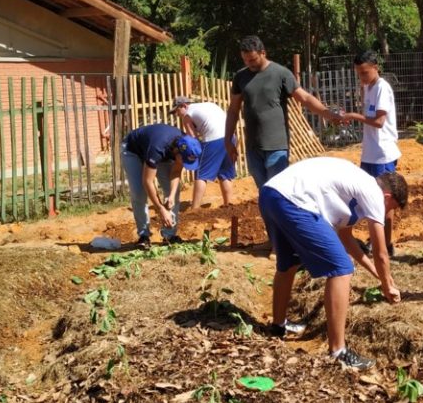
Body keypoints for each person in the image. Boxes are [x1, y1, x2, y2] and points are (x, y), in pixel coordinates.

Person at [259, 157, 409, 370]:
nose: (385, 214)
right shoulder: (373, 192)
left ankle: (278, 326)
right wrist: (387, 285)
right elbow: (381, 251)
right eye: (390, 209)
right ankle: (338, 351)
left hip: (271, 194)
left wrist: (377, 274)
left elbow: (346, 238)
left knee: (288, 264)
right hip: (294, 201)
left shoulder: (355, 188)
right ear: (387, 196)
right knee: (342, 270)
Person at [226, 35, 341, 190]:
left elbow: (305, 98)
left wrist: (328, 114)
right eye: (245, 60)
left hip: (276, 146)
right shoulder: (241, 77)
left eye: (252, 60)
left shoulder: (281, 74)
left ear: (263, 53)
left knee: (278, 190)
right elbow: (233, 110)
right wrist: (228, 140)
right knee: (264, 191)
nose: (249, 64)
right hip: (253, 146)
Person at [341, 50, 401, 256]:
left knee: (385, 200)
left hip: (382, 154)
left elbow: (379, 121)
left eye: (365, 72)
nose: (362, 77)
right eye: (359, 73)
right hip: (370, 153)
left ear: (376, 67)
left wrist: (354, 116)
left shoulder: (383, 88)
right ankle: (378, 240)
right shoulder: (368, 87)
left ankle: (386, 244)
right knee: (369, 197)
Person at [120, 123, 202, 249]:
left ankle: (169, 235)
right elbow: (147, 181)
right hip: (133, 151)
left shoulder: (185, 144)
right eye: (184, 161)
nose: (185, 164)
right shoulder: (157, 148)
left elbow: (175, 172)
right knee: (139, 192)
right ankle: (144, 236)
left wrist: (171, 196)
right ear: (178, 153)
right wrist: (160, 209)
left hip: (163, 152)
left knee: (172, 192)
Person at [170, 96, 236, 208]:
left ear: (184, 106)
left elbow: (193, 140)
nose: (177, 115)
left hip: (214, 140)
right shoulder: (209, 104)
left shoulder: (187, 115)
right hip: (231, 137)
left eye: (177, 111)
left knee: (201, 174)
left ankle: (194, 209)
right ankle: (228, 205)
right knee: (224, 173)